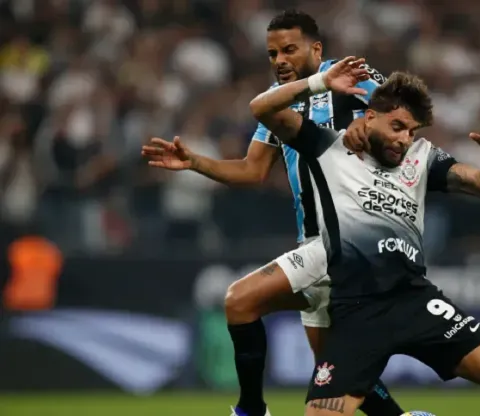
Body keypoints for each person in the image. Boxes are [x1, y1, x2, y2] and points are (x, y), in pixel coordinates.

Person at [248, 57, 480, 416]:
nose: (405, 139)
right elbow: (261, 108)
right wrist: (319, 83)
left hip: (415, 300)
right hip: (355, 313)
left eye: (412, 131)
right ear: (369, 116)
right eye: (397, 126)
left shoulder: (423, 158)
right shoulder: (327, 147)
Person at [141, 10, 403, 416]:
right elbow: (251, 170)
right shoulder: (278, 104)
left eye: (289, 50)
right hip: (314, 241)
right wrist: (196, 163)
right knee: (334, 370)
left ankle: (250, 410)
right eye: (272, 53)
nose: (279, 60)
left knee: (240, 300)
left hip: (351, 239)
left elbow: (404, 119)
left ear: (316, 49)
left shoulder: (351, 75)